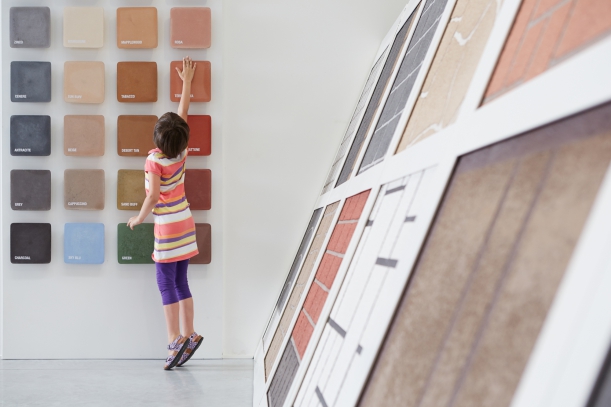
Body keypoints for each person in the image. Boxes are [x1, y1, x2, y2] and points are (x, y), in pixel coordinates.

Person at [127, 56, 204, 370]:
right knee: (181, 280)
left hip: (167, 227)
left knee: (165, 283)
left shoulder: (154, 160)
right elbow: (183, 115)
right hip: (186, 222)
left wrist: (138, 218)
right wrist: (187, 84)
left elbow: (153, 196)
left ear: (158, 138)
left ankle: (174, 339)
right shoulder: (182, 152)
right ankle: (190, 333)